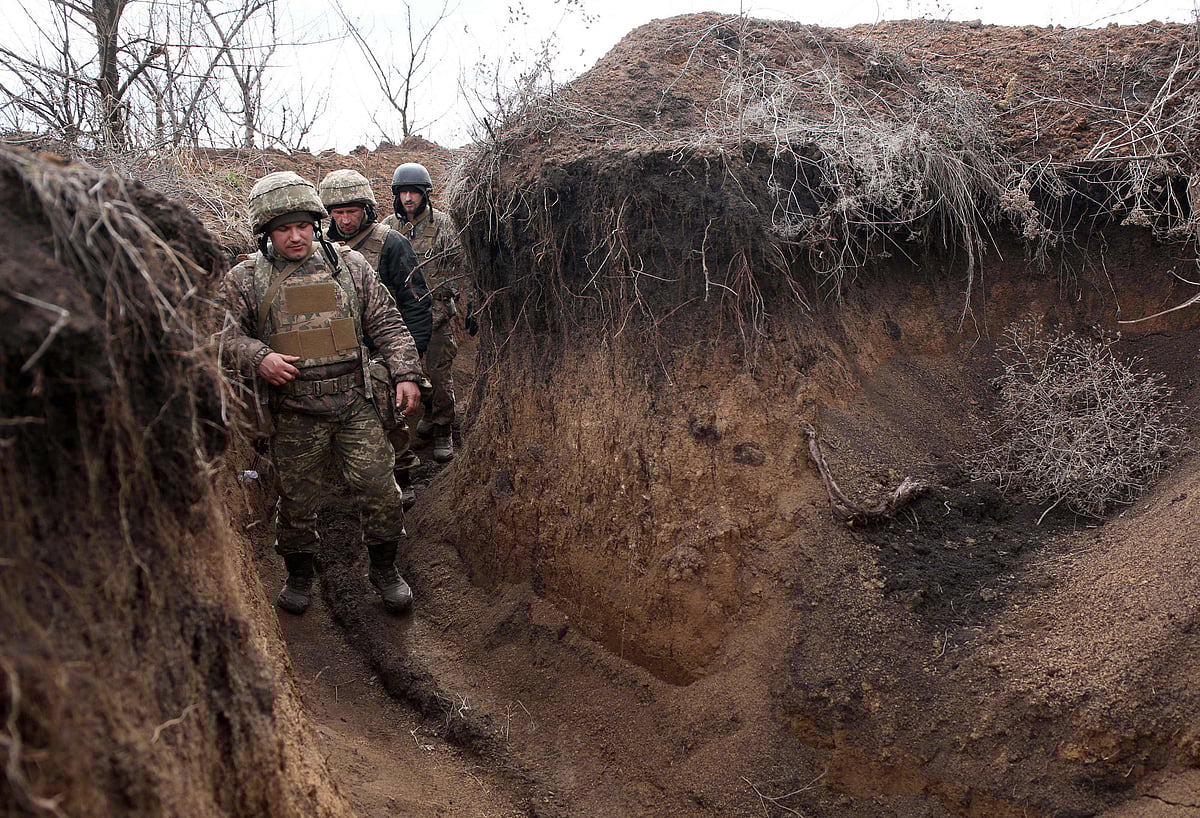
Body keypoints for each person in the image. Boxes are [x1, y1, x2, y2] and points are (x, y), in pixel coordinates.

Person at [216, 170, 424, 616]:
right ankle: (298, 575)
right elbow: (221, 336)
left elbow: (387, 324)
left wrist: (406, 374)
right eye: (284, 229)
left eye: (303, 226)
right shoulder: (245, 278)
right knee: (296, 503)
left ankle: (385, 571)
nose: (296, 237)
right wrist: (258, 356)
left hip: (354, 403)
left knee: (380, 491)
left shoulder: (350, 267)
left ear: (315, 222)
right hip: (294, 410)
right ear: (266, 232)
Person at [319, 169, 432, 509]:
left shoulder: (391, 242)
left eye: (351, 211)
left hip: (384, 348)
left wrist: (410, 358)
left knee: (391, 419)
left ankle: (402, 476)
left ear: (365, 208)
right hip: (342, 350)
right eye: (338, 212)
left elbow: (415, 301)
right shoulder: (321, 248)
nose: (345, 219)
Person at [382, 162, 466, 463]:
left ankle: (443, 426)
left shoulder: (443, 224)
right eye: (403, 192)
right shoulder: (388, 228)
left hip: (438, 314)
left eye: (414, 192)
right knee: (409, 373)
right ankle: (427, 418)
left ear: (424, 194)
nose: (408, 198)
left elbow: (462, 265)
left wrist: (469, 306)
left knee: (440, 374)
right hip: (401, 317)